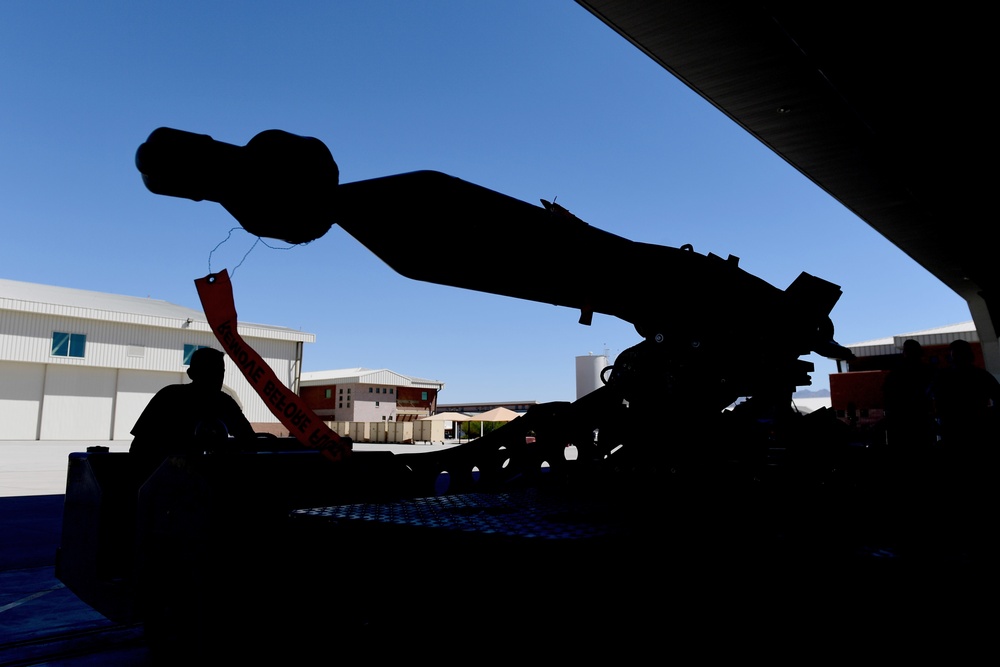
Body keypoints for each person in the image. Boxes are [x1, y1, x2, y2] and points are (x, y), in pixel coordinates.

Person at [130, 347, 256, 476]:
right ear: (192, 373)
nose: (215, 377)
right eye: (209, 371)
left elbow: (138, 446)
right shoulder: (224, 403)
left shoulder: (169, 396)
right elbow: (250, 442)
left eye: (219, 372)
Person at [882, 339, 937, 454]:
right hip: (921, 422)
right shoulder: (929, 372)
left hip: (902, 425)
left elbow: (888, 400)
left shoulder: (895, 374)